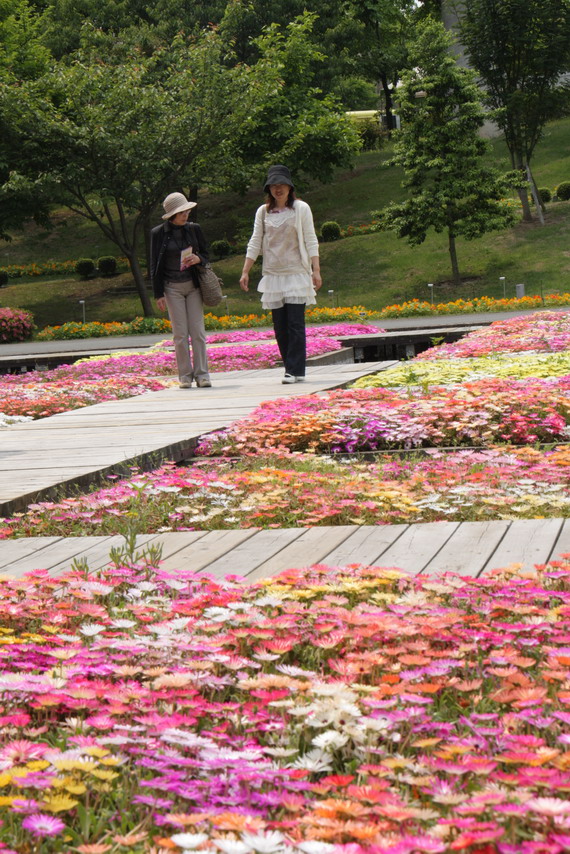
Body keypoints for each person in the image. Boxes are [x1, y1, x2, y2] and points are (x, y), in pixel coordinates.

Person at [239, 165, 322, 383]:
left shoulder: (301, 208)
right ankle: (291, 368)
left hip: (296, 273)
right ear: (269, 189)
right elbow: (255, 241)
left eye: (282, 185)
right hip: (273, 275)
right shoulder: (263, 212)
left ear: (289, 187)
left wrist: (316, 270)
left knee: (295, 323)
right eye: (274, 185)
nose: (278, 189)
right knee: (280, 326)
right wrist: (246, 270)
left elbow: (311, 239)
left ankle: (294, 370)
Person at [150, 192, 212, 388]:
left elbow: (206, 254)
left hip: (193, 285)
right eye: (181, 212)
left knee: (198, 332)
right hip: (171, 288)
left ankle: (203, 375)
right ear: (171, 215)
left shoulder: (194, 229)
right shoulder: (158, 233)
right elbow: (154, 264)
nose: (185, 215)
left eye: (186, 211)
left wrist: (198, 259)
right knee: (180, 334)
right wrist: (158, 293)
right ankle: (185, 375)